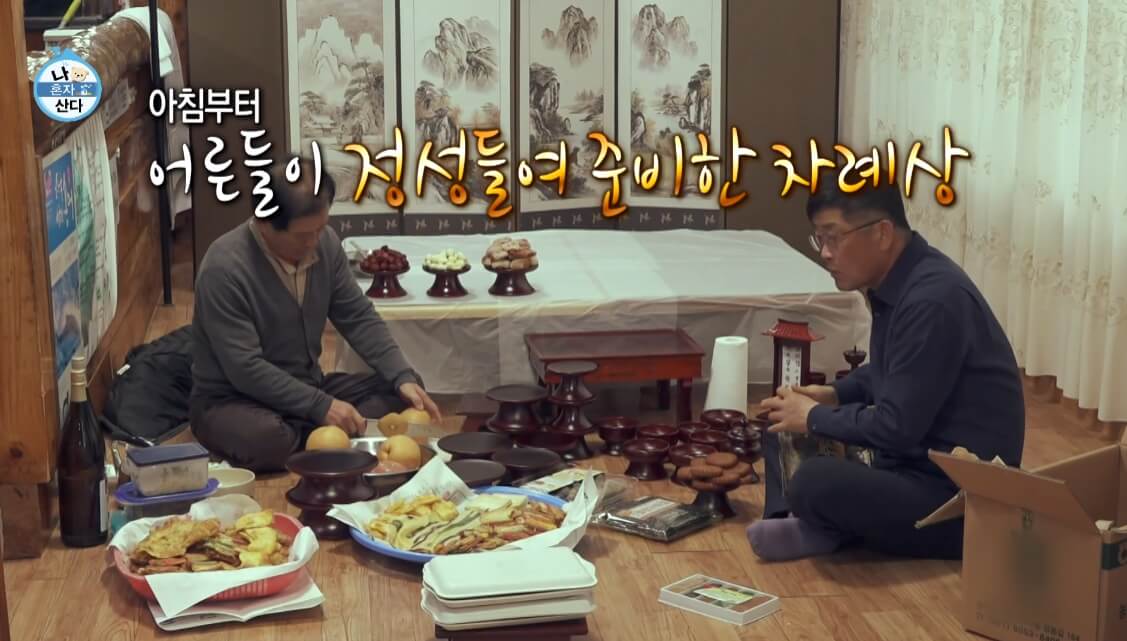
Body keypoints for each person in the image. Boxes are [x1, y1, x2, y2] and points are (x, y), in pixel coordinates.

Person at [746, 177, 1025, 562]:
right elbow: (892, 369)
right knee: (780, 425)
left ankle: (820, 523)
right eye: (819, 239)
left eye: (833, 238)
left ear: (881, 233)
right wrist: (834, 394)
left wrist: (814, 416)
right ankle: (802, 521)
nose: (824, 253)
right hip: (907, 461)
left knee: (814, 479)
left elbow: (896, 427)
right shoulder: (900, 279)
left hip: (957, 498)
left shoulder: (933, 300)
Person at [190, 158, 441, 472]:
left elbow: (357, 316)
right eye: (302, 235)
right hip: (233, 400)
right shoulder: (224, 268)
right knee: (268, 439)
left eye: (320, 229)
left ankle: (321, 438)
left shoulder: (326, 244)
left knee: (404, 388)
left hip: (308, 384)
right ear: (264, 222)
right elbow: (245, 368)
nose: (313, 242)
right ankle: (327, 435)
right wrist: (320, 406)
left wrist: (401, 375)